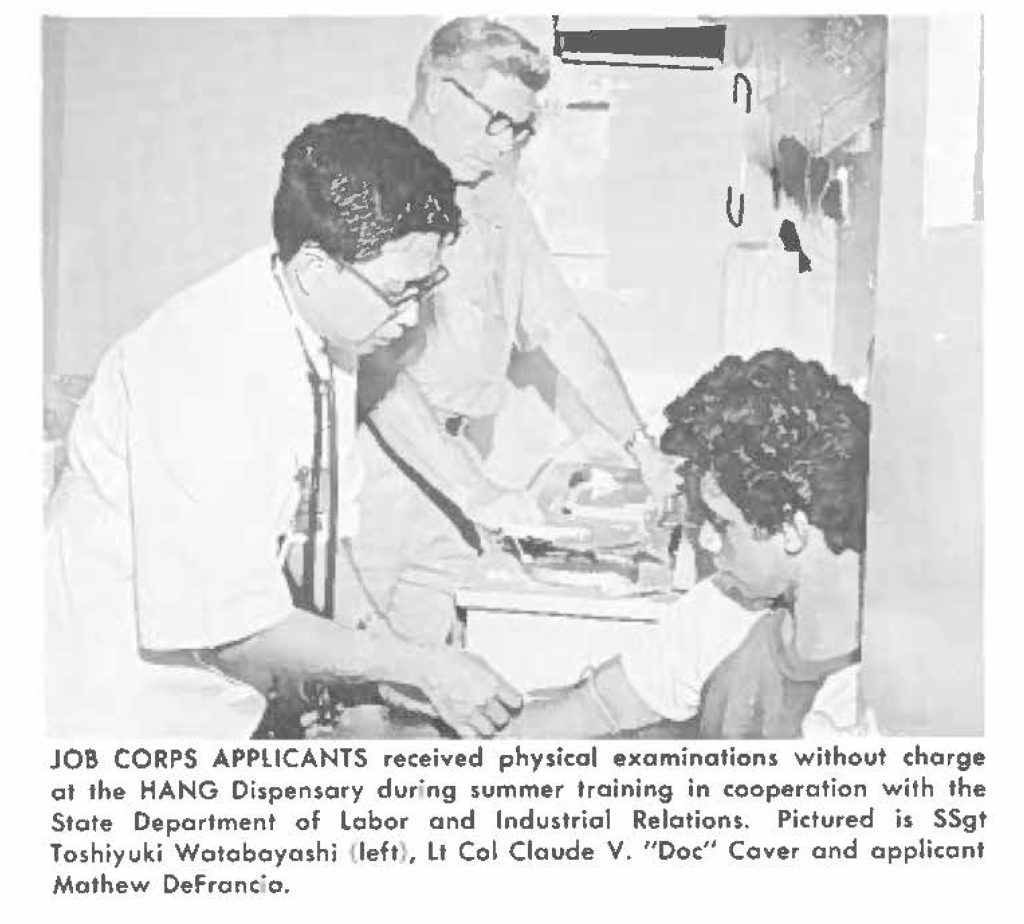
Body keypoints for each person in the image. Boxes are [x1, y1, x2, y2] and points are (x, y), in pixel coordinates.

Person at [45, 113, 522, 739]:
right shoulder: (200, 370)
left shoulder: (330, 327)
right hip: (119, 713)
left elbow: (321, 538)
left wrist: (384, 664)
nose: (411, 319)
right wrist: (417, 665)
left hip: (215, 700)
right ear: (317, 267)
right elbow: (234, 631)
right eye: (399, 291)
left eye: (425, 288)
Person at [346, 17, 680, 643]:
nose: (504, 145)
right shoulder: (368, 187)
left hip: (454, 459)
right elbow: (377, 370)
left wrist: (642, 449)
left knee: (432, 676)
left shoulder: (495, 198)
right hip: (373, 463)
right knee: (359, 672)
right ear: (440, 93)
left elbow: (560, 325)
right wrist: (477, 492)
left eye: (520, 128)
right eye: (495, 121)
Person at [499, 348, 869, 739]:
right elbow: (585, 712)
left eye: (721, 524)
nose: (707, 542)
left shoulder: (877, 694)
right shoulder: (724, 610)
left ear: (792, 531)